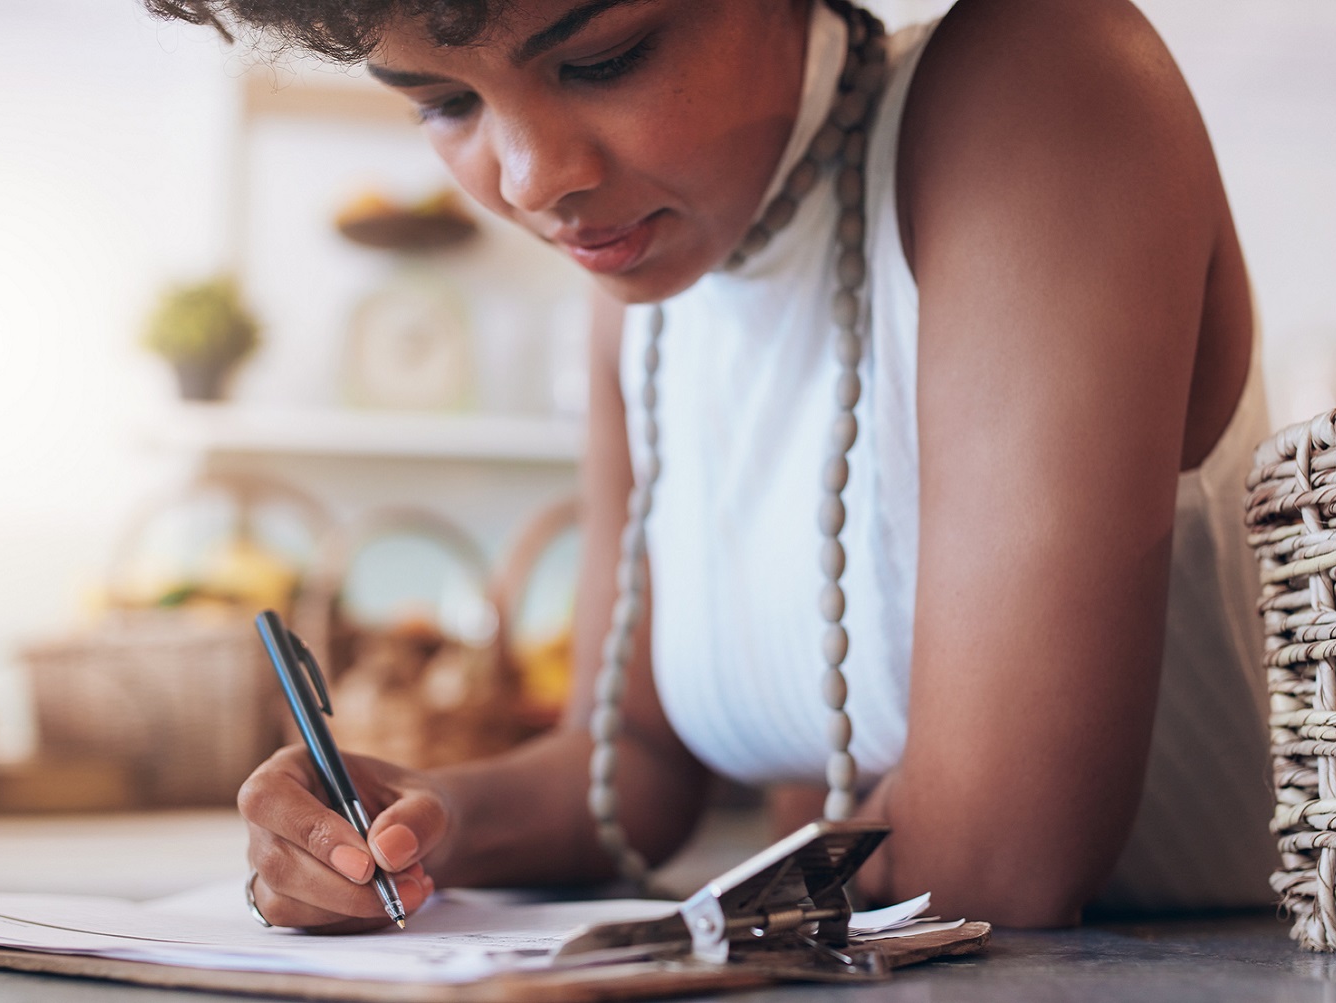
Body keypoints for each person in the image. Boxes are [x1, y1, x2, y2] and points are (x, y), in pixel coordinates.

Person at [148, 0, 1278, 931]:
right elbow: (626, 765)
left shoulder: (1040, 83)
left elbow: (1000, 855)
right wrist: (400, 823)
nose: (536, 180)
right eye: (445, 103)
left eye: (605, 56)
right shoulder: (639, 299)